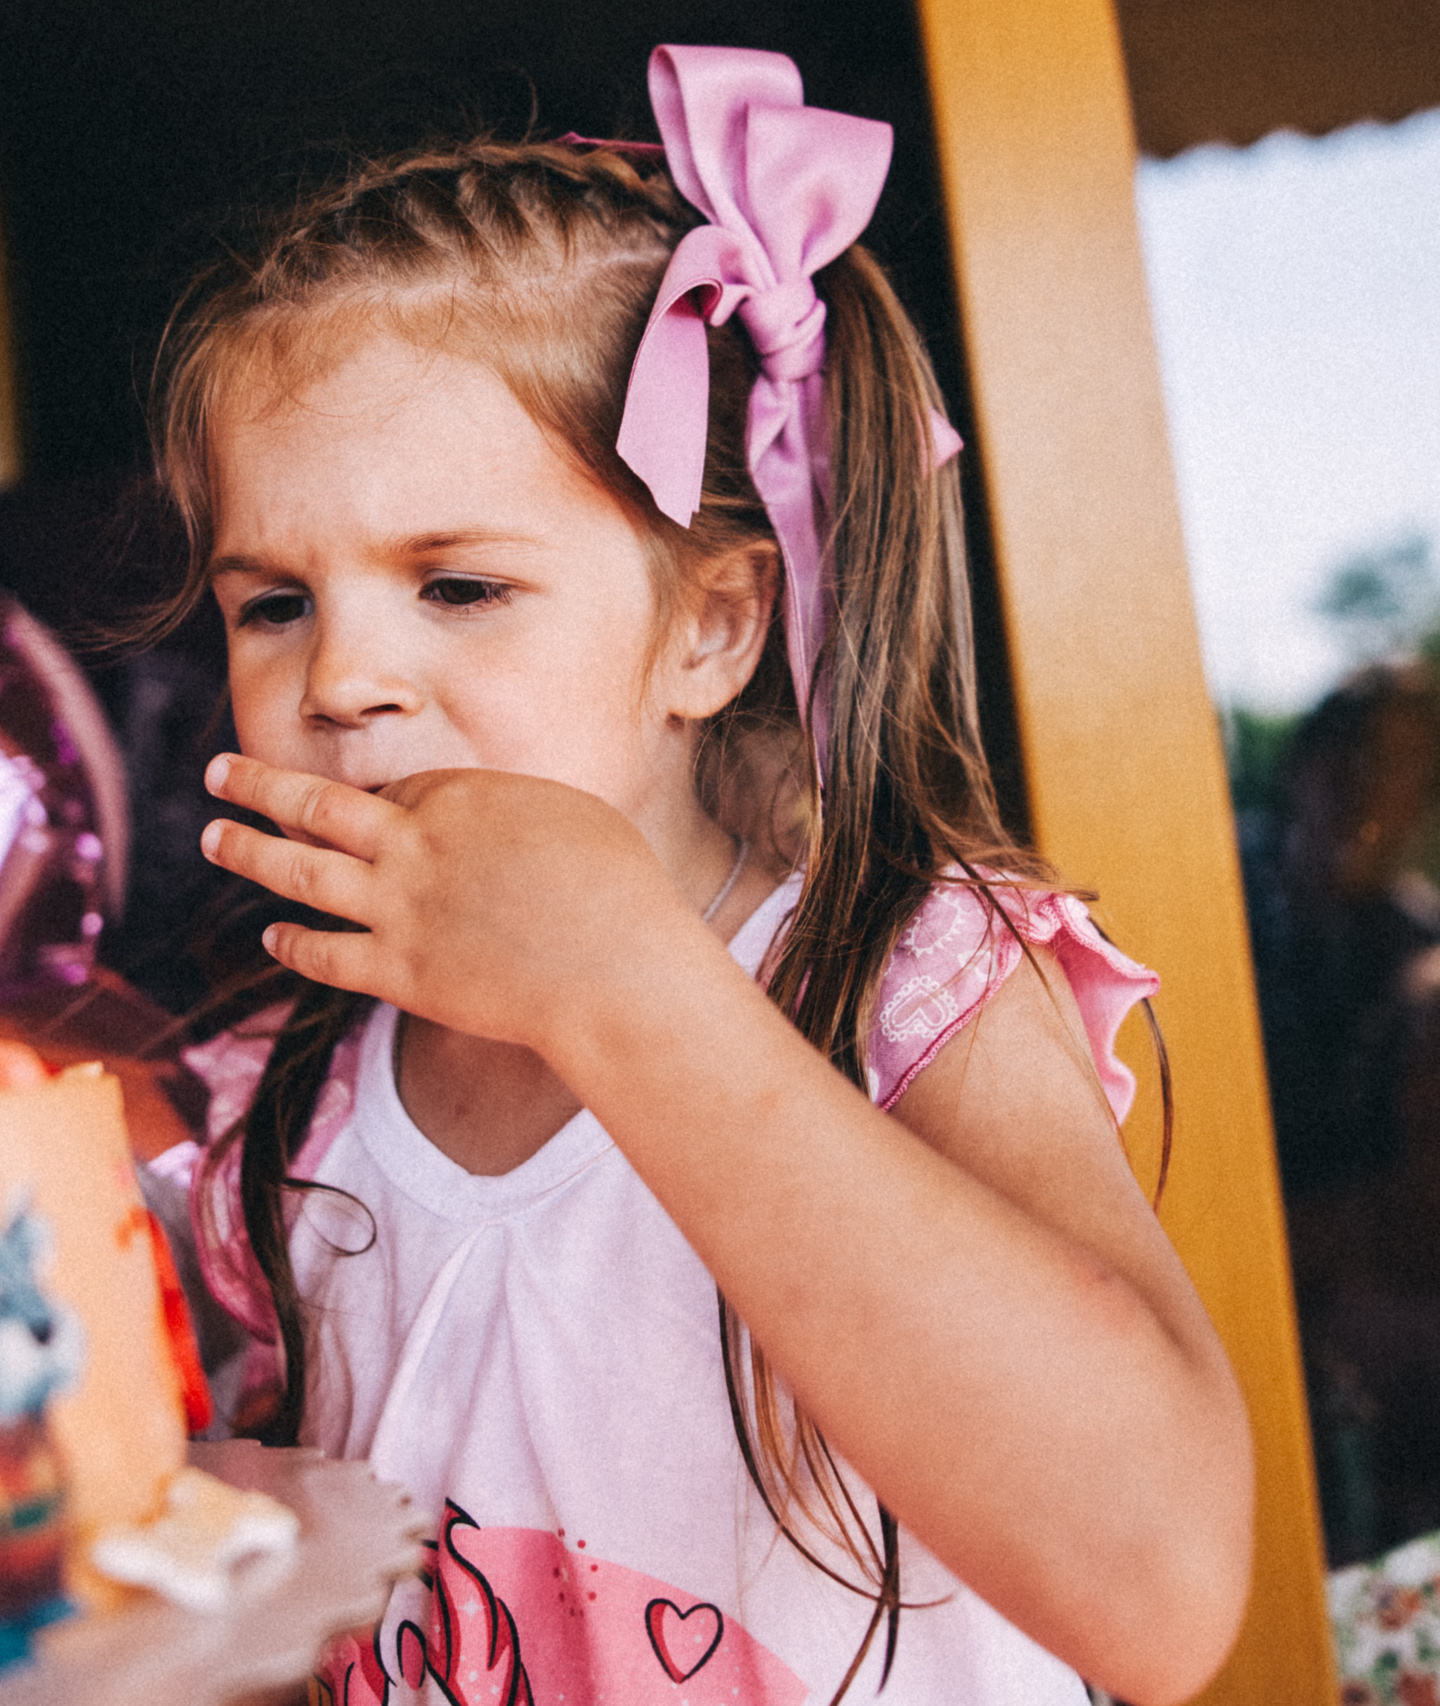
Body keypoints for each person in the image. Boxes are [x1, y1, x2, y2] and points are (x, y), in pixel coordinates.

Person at [142, 47, 1251, 1706]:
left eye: (458, 586)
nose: (344, 678)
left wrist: (623, 986)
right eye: (273, 604)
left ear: (712, 627)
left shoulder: (900, 977)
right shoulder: (285, 1104)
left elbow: (1158, 1589)